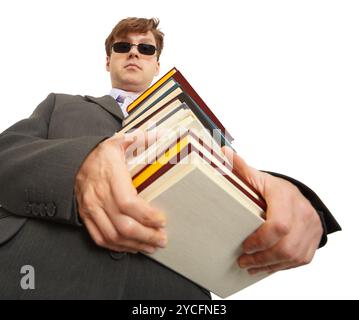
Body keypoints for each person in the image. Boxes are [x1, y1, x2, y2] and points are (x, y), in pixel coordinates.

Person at [0, 17, 341, 299]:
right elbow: (6, 155)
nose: (134, 53)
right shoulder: (61, 104)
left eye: (145, 48)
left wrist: (291, 198)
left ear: (156, 62)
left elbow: (235, 179)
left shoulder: (196, 124)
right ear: (108, 60)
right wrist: (78, 166)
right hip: (36, 280)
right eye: (123, 46)